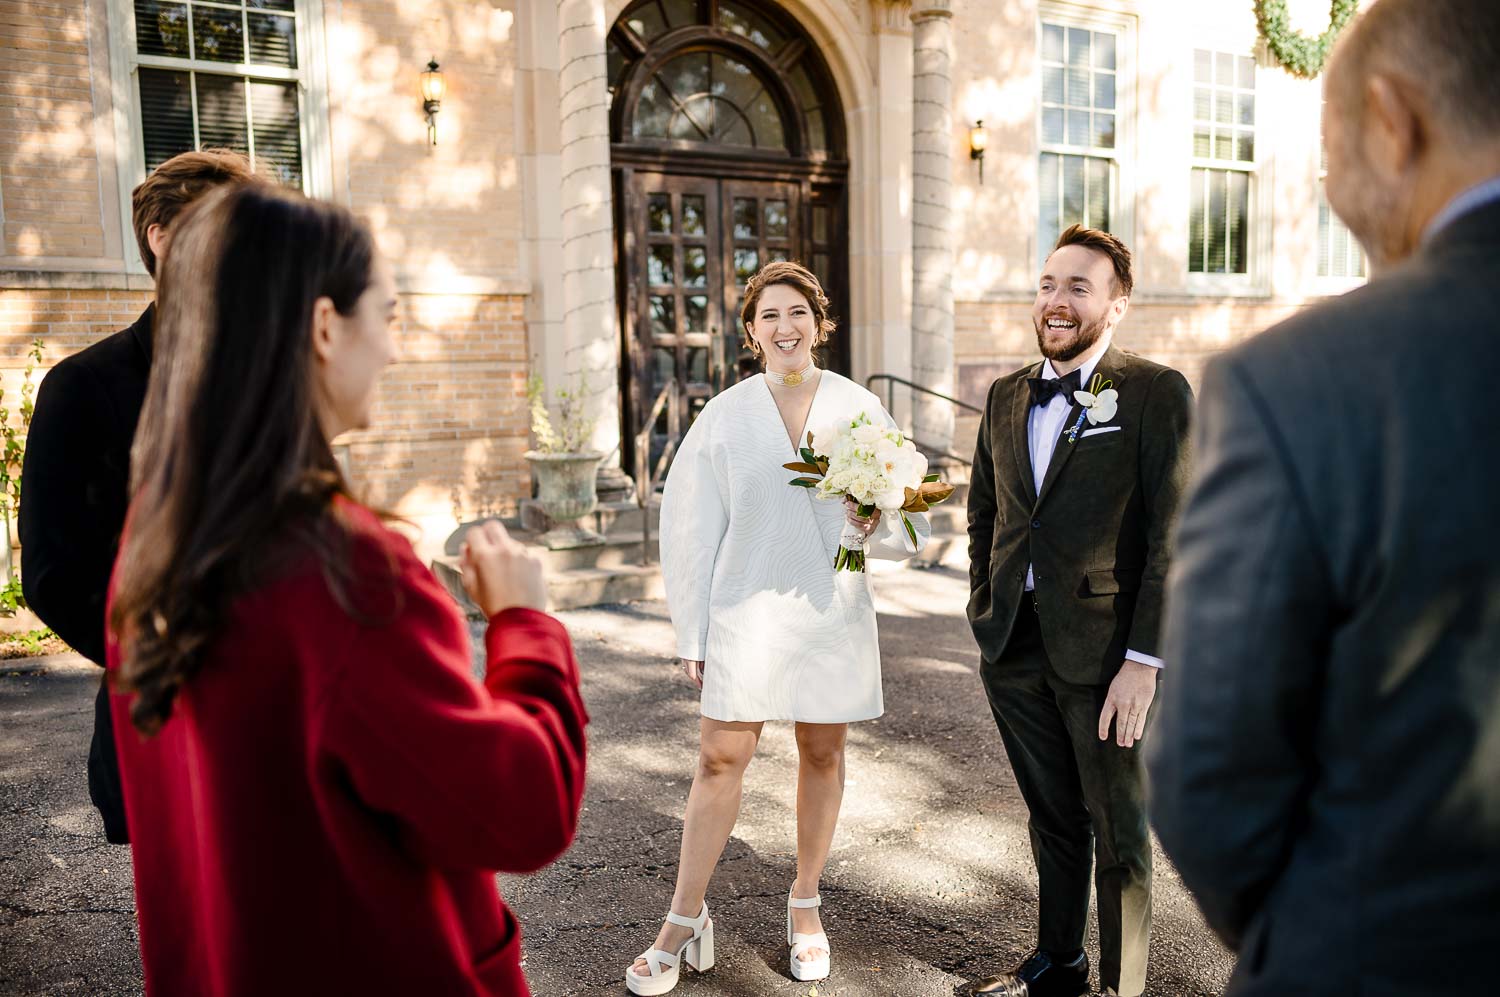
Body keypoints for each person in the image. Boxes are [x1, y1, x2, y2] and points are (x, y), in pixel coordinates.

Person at [105, 183, 589, 995]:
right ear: (326, 327)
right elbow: (524, 810)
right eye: (390, 316)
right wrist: (525, 624)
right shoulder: (342, 569)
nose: (396, 349)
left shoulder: (156, 532)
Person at [1148, 0, 1500, 992]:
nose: (1334, 193)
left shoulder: (1299, 383)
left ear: (1394, 120)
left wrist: (1321, 930)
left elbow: (1212, 776)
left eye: (1330, 155)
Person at [624, 261, 930, 994]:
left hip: (831, 605)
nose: (785, 327)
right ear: (751, 330)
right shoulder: (725, 415)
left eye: (797, 312)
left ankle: (804, 903)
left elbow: (905, 514)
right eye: (769, 316)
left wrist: (876, 516)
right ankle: (683, 919)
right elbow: (692, 528)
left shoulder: (860, 407)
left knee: (822, 753)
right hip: (742, 607)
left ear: (819, 323)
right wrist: (691, 630)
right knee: (718, 760)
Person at [964, 226, 1193, 997]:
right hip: (1014, 648)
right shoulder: (1004, 394)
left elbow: (1173, 537)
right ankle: (1057, 963)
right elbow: (986, 515)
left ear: (1117, 305)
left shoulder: (1156, 392)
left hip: (1106, 657)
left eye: (1077, 288)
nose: (1056, 302)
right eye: (1048, 284)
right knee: (1054, 820)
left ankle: (1122, 989)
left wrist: (1145, 661)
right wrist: (984, 602)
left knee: (1119, 832)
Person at [19, 148, 256, 844]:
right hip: (165, 724)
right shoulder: (83, 389)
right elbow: (56, 576)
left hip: (288, 725)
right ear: (162, 236)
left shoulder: (271, 380)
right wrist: (186, 664)